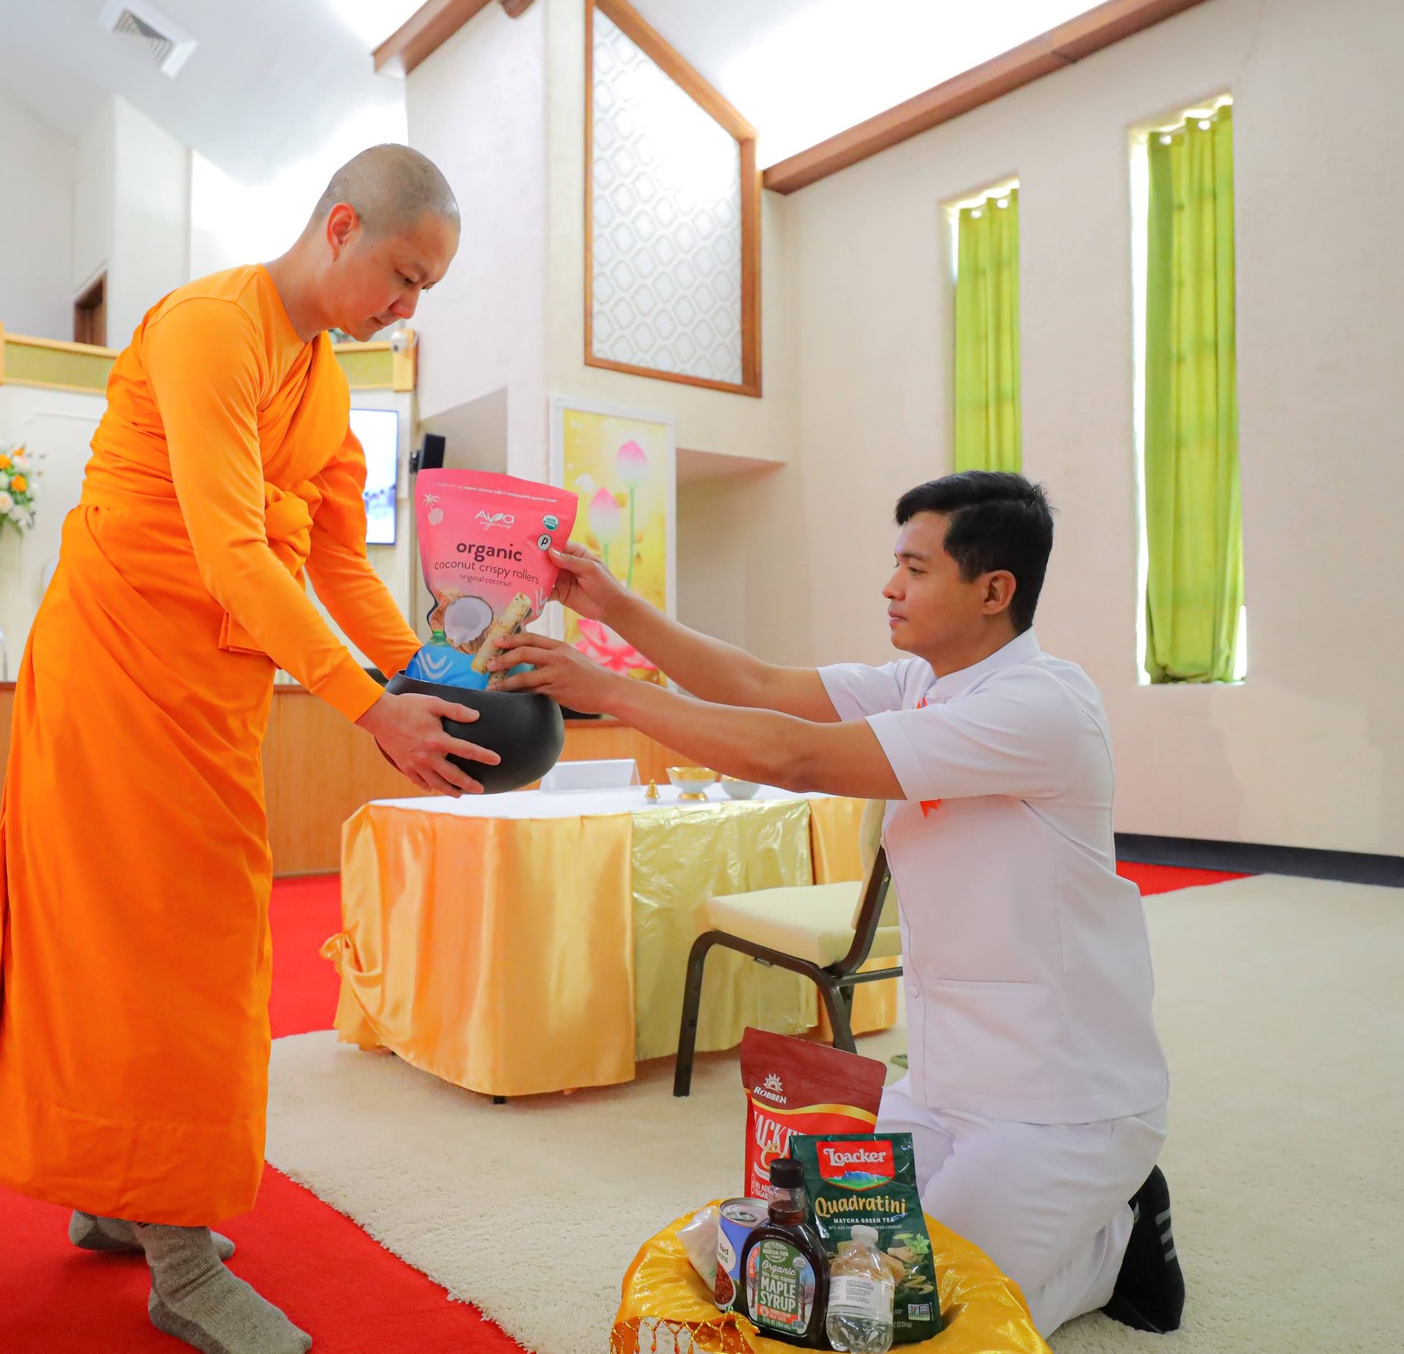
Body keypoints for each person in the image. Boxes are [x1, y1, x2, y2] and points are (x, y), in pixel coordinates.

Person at [0, 144, 487, 1353]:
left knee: (168, 933)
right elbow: (233, 551)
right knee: (159, 942)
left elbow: (339, 559)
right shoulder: (211, 325)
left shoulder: (328, 383)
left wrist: (430, 676)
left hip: (214, 687)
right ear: (342, 228)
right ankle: (181, 1258)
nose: (405, 310)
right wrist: (367, 709)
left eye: (426, 293)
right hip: (117, 662)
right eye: (403, 277)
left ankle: (119, 1188)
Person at [488, 472, 1184, 1337]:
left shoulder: (1042, 707)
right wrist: (616, 606)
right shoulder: (919, 685)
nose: (890, 586)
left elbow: (800, 758)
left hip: (1058, 1103)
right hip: (937, 1082)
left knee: (908, 1316)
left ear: (994, 590)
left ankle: (1112, 1234)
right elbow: (756, 682)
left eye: (916, 568)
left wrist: (614, 692)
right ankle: (1079, 1228)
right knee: (810, 1277)